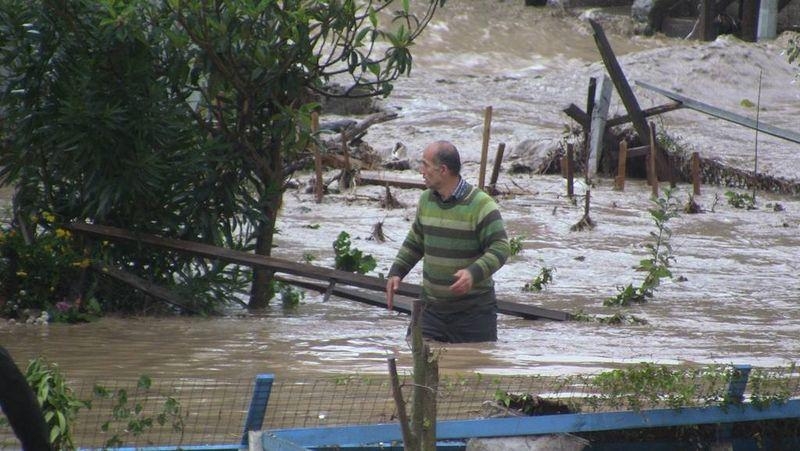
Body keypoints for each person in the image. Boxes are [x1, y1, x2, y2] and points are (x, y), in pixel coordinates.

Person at [385, 140, 510, 343]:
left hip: (473, 314)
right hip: (431, 311)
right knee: (415, 361)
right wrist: (397, 272)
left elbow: (501, 248)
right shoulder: (426, 200)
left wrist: (472, 273)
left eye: (425, 165)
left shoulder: (481, 205)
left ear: (443, 170)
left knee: (474, 369)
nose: (421, 171)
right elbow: (416, 240)